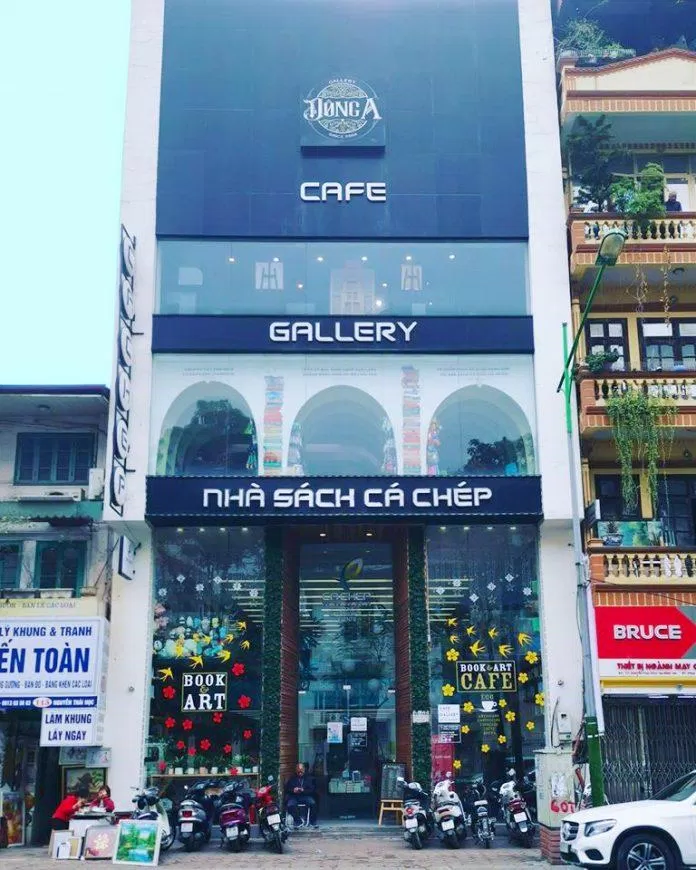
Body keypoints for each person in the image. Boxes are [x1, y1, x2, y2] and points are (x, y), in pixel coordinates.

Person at [284, 763, 319, 829]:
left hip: (305, 796)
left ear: (304, 770)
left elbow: (312, 790)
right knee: (290, 805)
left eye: (301, 770)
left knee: (313, 803)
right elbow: (287, 789)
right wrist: (293, 790)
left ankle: (313, 822)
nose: (300, 772)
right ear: (296, 770)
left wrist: (303, 790)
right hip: (294, 797)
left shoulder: (309, 778)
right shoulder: (292, 778)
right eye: (298, 770)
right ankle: (298, 821)